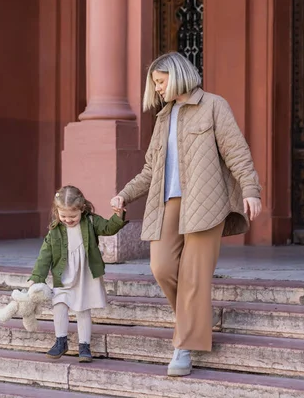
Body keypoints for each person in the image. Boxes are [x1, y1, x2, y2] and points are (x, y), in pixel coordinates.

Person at [110, 52, 262, 377]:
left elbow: (236, 150)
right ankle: (191, 322)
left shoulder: (213, 106)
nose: (158, 88)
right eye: (154, 83)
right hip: (169, 201)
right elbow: (151, 168)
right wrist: (125, 193)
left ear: (178, 76)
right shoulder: (163, 118)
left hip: (207, 201)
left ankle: (183, 347)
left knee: (194, 276)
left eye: (161, 82)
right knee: (161, 266)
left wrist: (251, 190)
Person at [29, 185, 127, 362]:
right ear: (56, 211)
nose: (68, 220)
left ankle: (84, 346)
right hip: (64, 276)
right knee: (59, 304)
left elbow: (108, 228)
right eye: (63, 215)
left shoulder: (90, 221)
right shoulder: (55, 230)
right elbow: (45, 255)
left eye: (72, 216)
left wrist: (118, 215)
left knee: (82, 309)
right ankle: (61, 341)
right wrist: (37, 278)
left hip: (85, 276)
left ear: (82, 209)